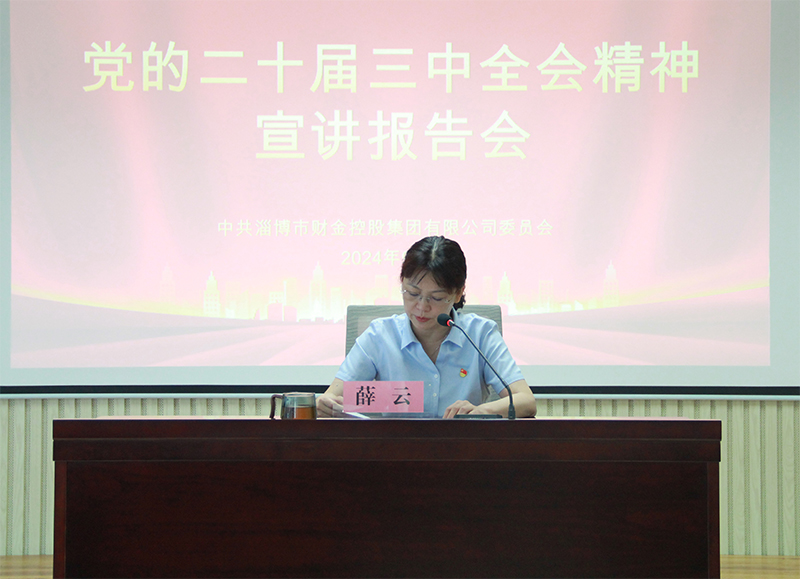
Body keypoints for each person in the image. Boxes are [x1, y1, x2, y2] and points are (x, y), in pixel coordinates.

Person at [317, 236, 537, 419]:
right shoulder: (379, 336)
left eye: (436, 297)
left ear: (458, 293)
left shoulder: (480, 334)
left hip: (461, 450)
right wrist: (325, 404)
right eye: (412, 294)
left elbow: (525, 400)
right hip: (395, 451)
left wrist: (480, 411)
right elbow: (333, 398)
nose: (422, 307)